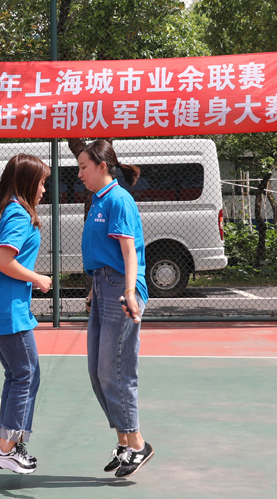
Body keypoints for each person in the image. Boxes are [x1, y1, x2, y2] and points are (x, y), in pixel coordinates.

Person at [78, 139, 154, 479]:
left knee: (116, 370)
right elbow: (104, 254)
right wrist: (94, 289)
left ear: (102, 167)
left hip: (121, 289)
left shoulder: (118, 199)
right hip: (103, 286)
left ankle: (138, 444)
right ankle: (124, 441)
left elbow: (129, 251)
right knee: (98, 372)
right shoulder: (99, 199)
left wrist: (129, 292)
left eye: (84, 167)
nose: (79, 174)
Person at [0, 154, 53, 475]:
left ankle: (8, 444)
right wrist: (38, 278)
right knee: (26, 374)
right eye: (41, 183)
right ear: (26, 182)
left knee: (19, 374)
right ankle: (6, 449)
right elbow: (3, 261)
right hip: (8, 310)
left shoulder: (2, 211)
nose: (44, 190)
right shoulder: (18, 214)